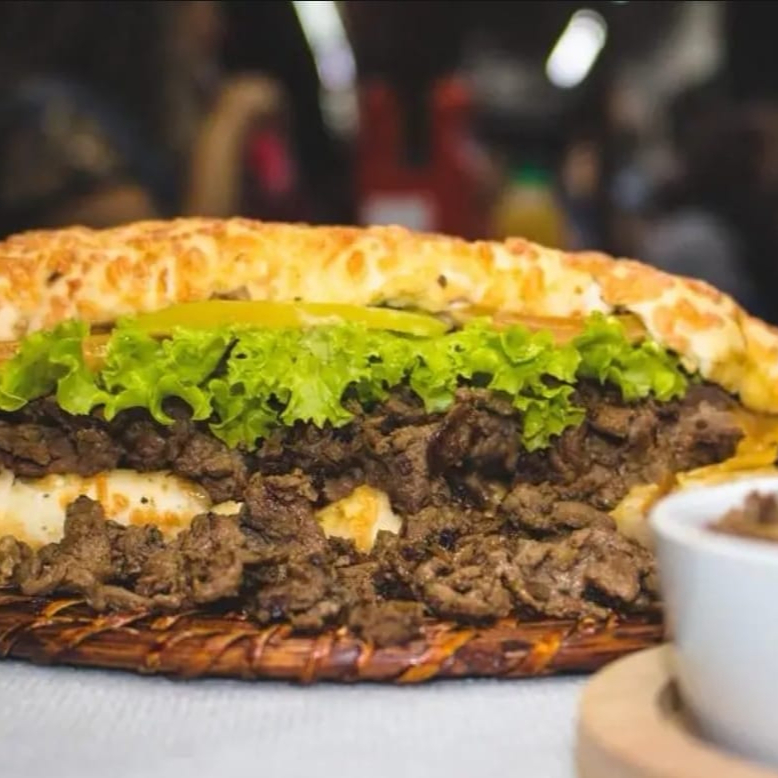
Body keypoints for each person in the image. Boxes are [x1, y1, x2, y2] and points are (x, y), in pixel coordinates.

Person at [0, 0, 285, 237]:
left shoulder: (130, 115)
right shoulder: (51, 118)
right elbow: (168, 263)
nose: (216, 23)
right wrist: (227, 122)